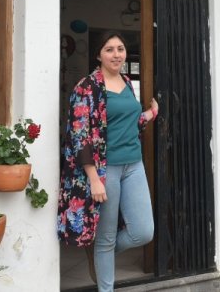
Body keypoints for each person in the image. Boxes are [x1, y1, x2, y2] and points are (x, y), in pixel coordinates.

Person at [58, 31, 160, 291]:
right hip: (105, 169)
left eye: (121, 49)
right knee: (106, 237)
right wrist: (94, 180)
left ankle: (100, 254)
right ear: (98, 55)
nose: (117, 54)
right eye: (109, 49)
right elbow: (80, 136)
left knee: (143, 231)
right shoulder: (88, 86)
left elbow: (125, 123)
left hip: (133, 165)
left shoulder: (126, 82)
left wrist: (149, 114)